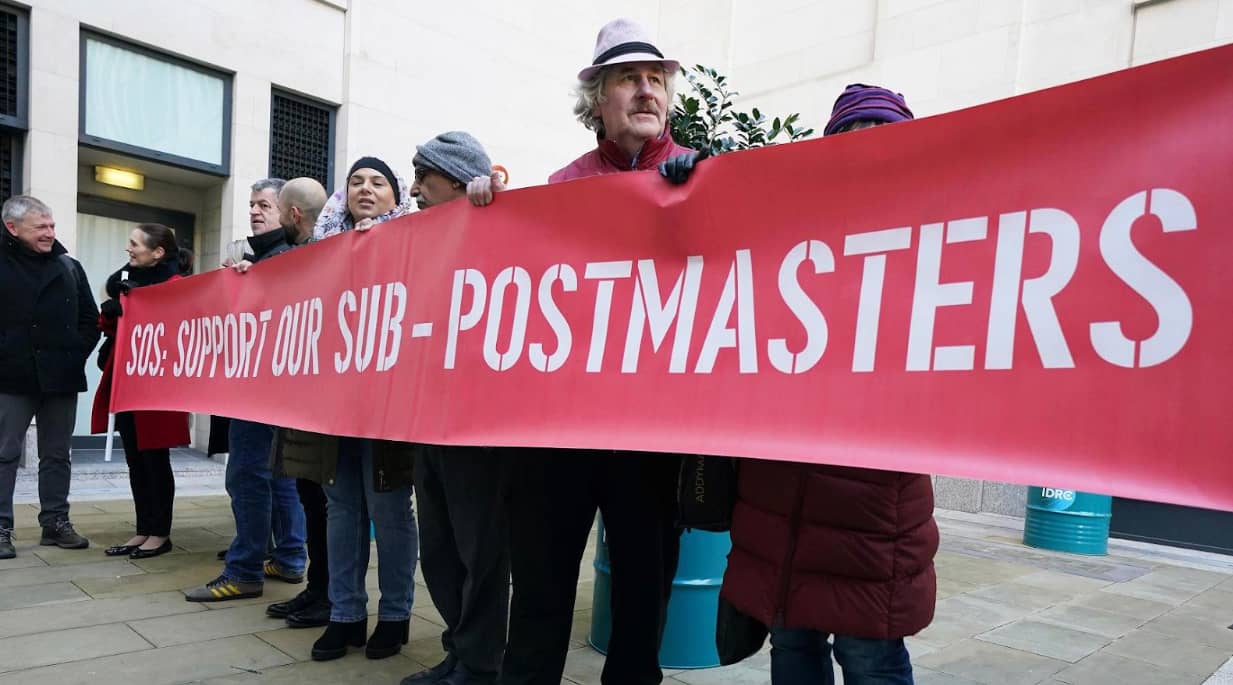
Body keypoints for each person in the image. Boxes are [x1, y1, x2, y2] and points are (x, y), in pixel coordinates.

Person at [718, 84, 938, 685]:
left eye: (884, 140)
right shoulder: (785, 233)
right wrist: (689, 181)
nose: (868, 154)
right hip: (782, 494)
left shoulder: (931, 242)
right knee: (792, 644)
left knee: (869, 655)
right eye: (852, 140)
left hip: (871, 504)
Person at [500, 18, 691, 685]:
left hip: (651, 432)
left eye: (656, 79)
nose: (646, 91)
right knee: (540, 588)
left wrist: (703, 197)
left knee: (643, 592)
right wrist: (481, 209)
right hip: (562, 429)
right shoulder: (562, 186)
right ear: (598, 100)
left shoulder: (704, 178)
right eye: (628, 79)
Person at [289, 156, 418, 661]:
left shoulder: (418, 239)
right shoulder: (319, 250)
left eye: (378, 182)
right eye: (356, 181)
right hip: (334, 402)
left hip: (389, 402)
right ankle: (346, 616)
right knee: (341, 509)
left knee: (388, 509)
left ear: (396, 195)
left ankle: (395, 615)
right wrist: (248, 276)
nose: (366, 188)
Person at [398, 132, 509, 685]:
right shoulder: (414, 240)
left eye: (425, 176)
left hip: (478, 427)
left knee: (479, 553)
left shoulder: (498, 227)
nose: (415, 188)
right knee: (439, 551)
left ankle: (481, 664)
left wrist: (495, 196)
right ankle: (460, 650)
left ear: (460, 180)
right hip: (429, 420)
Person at [185, 179, 310, 601]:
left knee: (247, 476)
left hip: (260, 389)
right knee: (279, 477)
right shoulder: (267, 258)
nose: (254, 211)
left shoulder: (281, 258)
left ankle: (244, 571)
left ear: (288, 212)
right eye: (252, 204)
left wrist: (244, 285)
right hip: (274, 389)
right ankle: (289, 557)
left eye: (264, 206)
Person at [0, 195, 100, 559]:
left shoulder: (69, 266)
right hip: (11, 377)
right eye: (40, 227)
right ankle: (1, 527)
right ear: (12, 228)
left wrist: (74, 353)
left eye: (51, 225)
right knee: (4, 453)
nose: (49, 233)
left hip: (61, 376)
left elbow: (90, 319)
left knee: (57, 454)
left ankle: (55, 523)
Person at [259, 177, 336, 628]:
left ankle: (330, 595)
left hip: (320, 403)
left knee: (323, 504)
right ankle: (318, 588)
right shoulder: (294, 257)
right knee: (310, 498)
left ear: (292, 214)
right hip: (301, 402)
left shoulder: (325, 254)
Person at [92, 223, 192, 560]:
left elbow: (180, 329)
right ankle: (144, 528)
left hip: (158, 388)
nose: (129, 249)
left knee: (155, 459)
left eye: (135, 244)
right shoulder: (127, 280)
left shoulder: (176, 286)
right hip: (129, 383)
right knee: (135, 459)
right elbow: (115, 330)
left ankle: (160, 533)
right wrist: (111, 312)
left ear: (158, 252)